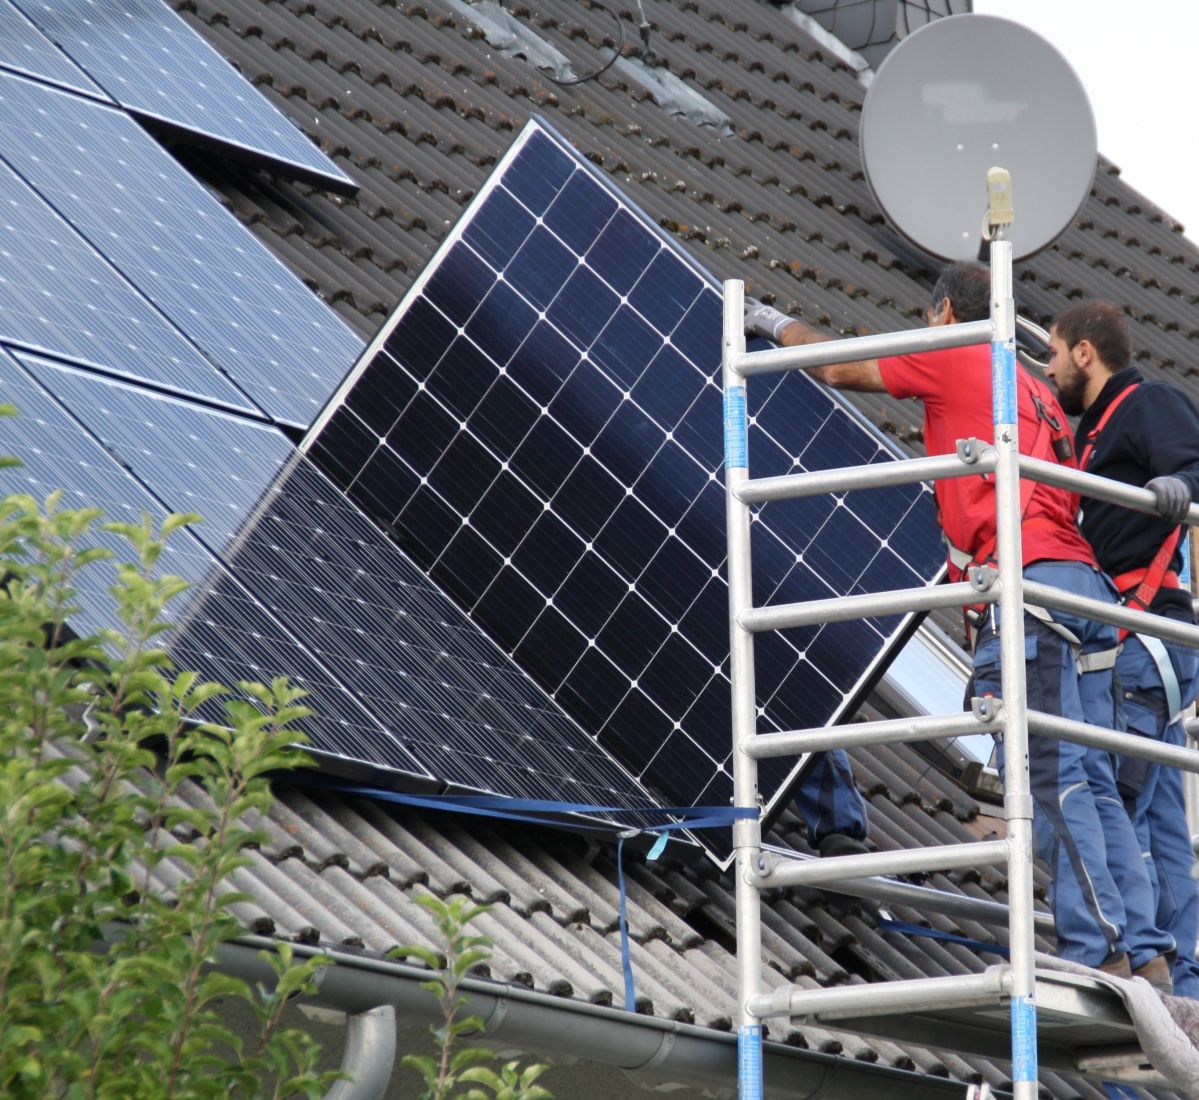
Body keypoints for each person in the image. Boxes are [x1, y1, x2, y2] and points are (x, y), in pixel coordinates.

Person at [745, 263, 1176, 988]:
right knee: (1093, 778)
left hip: (1028, 587)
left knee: (1050, 775)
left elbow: (841, 367)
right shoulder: (1034, 385)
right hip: (1080, 590)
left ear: (944, 311)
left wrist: (769, 325)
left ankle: (1094, 948)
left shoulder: (957, 349)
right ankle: (1146, 951)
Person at [1046, 300, 1199, 997]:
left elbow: (1196, 466)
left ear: (1085, 352)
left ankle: (1136, 955)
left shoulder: (1144, 403)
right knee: (1161, 818)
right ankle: (1178, 973)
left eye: (1052, 355)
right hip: (1138, 644)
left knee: (1110, 801)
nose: (1048, 372)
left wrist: (1179, 487)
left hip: (1143, 640)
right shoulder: (1091, 434)